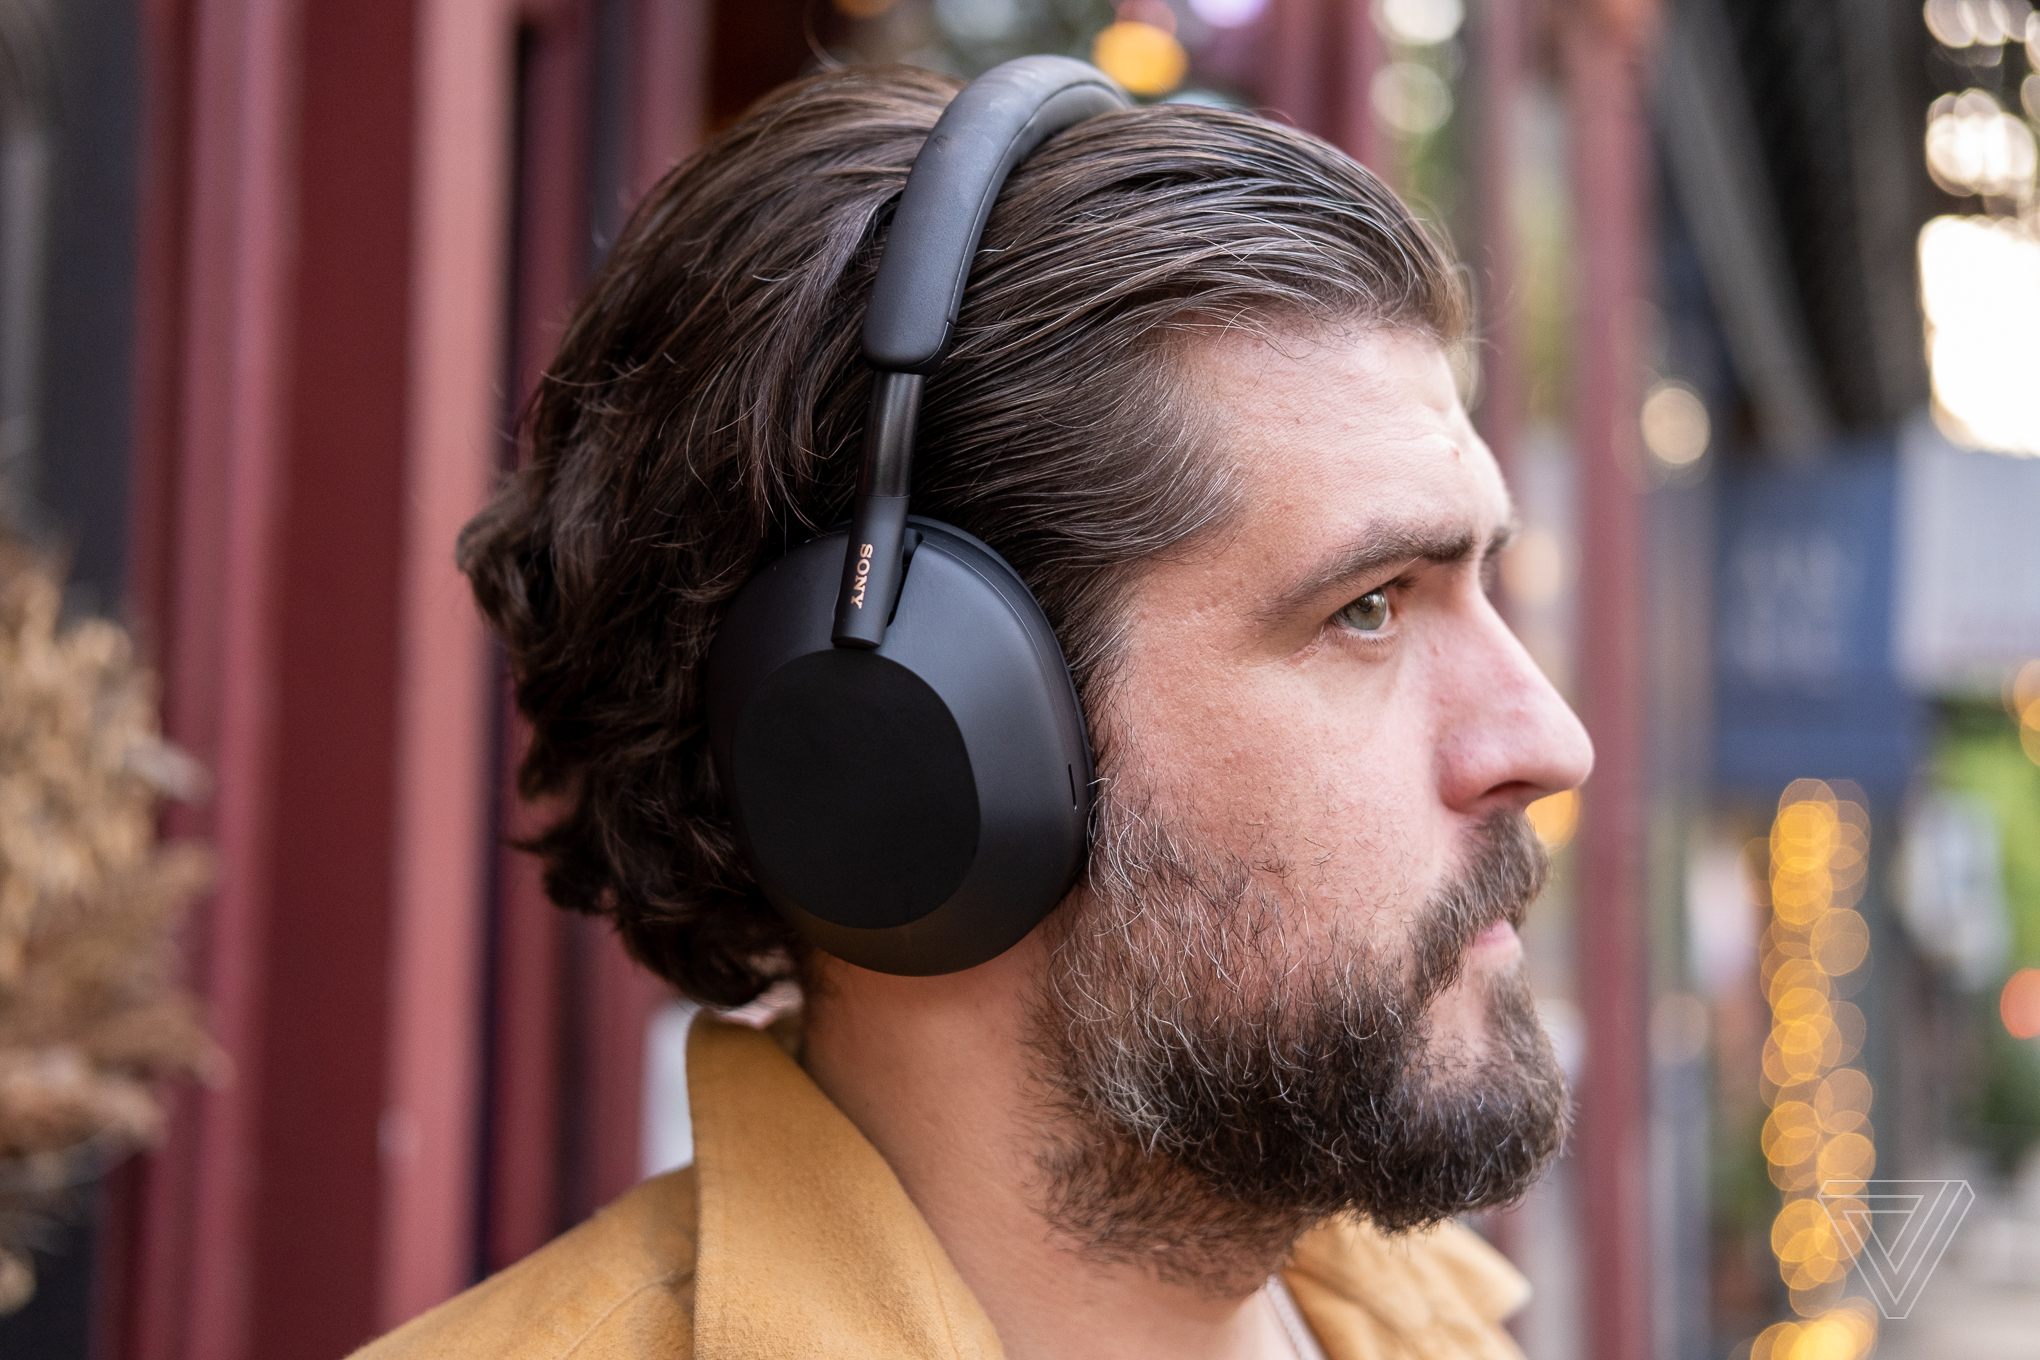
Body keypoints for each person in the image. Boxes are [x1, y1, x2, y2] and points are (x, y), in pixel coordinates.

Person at [355, 58, 1592, 1360]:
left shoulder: (1438, 1330)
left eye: (1483, 584)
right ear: (920, 746)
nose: (1550, 741)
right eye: (1369, 607)